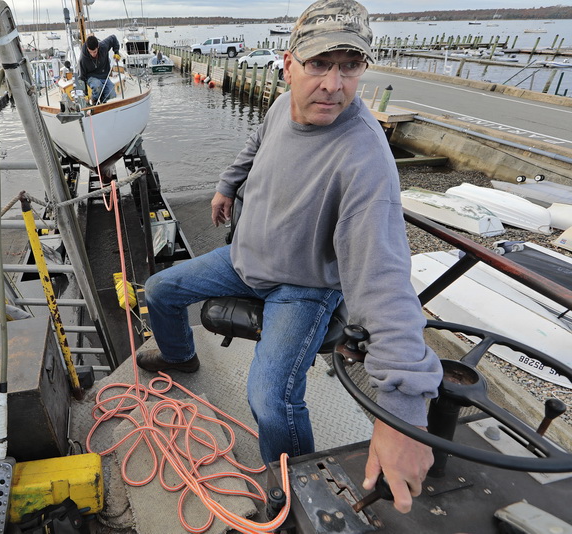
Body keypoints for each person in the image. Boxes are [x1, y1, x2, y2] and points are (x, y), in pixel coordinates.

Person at [136, 0, 444, 515]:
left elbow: (384, 280)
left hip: (303, 286)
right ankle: (178, 354)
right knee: (160, 290)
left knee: (270, 398)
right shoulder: (282, 105)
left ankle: (295, 499)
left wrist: (403, 414)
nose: (333, 84)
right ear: (289, 64)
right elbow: (254, 145)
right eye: (320, 63)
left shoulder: (364, 158)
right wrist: (225, 187)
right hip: (245, 257)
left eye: (350, 66)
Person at [78, 34, 120, 103]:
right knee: (97, 86)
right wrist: (85, 93)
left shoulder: (103, 46)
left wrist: (116, 52)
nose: (93, 54)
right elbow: (82, 77)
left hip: (104, 76)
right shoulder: (83, 58)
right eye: (90, 52)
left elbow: (113, 38)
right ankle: (94, 101)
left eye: (94, 52)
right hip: (91, 77)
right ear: (88, 48)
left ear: (98, 47)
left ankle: (104, 104)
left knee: (112, 94)